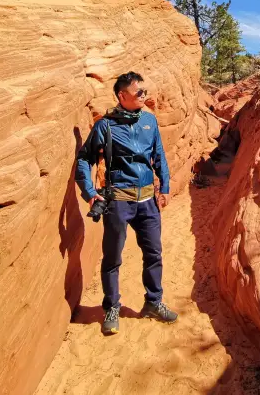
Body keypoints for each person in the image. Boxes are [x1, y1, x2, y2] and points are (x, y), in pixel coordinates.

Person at [75, 71, 178, 335]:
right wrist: (89, 193)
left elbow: (159, 156)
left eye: (145, 91)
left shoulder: (149, 121)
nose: (145, 96)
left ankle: (153, 302)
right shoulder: (105, 126)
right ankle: (112, 307)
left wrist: (164, 186)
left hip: (147, 201)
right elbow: (84, 159)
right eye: (139, 92)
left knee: (154, 253)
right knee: (112, 258)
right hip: (118, 201)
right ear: (122, 96)